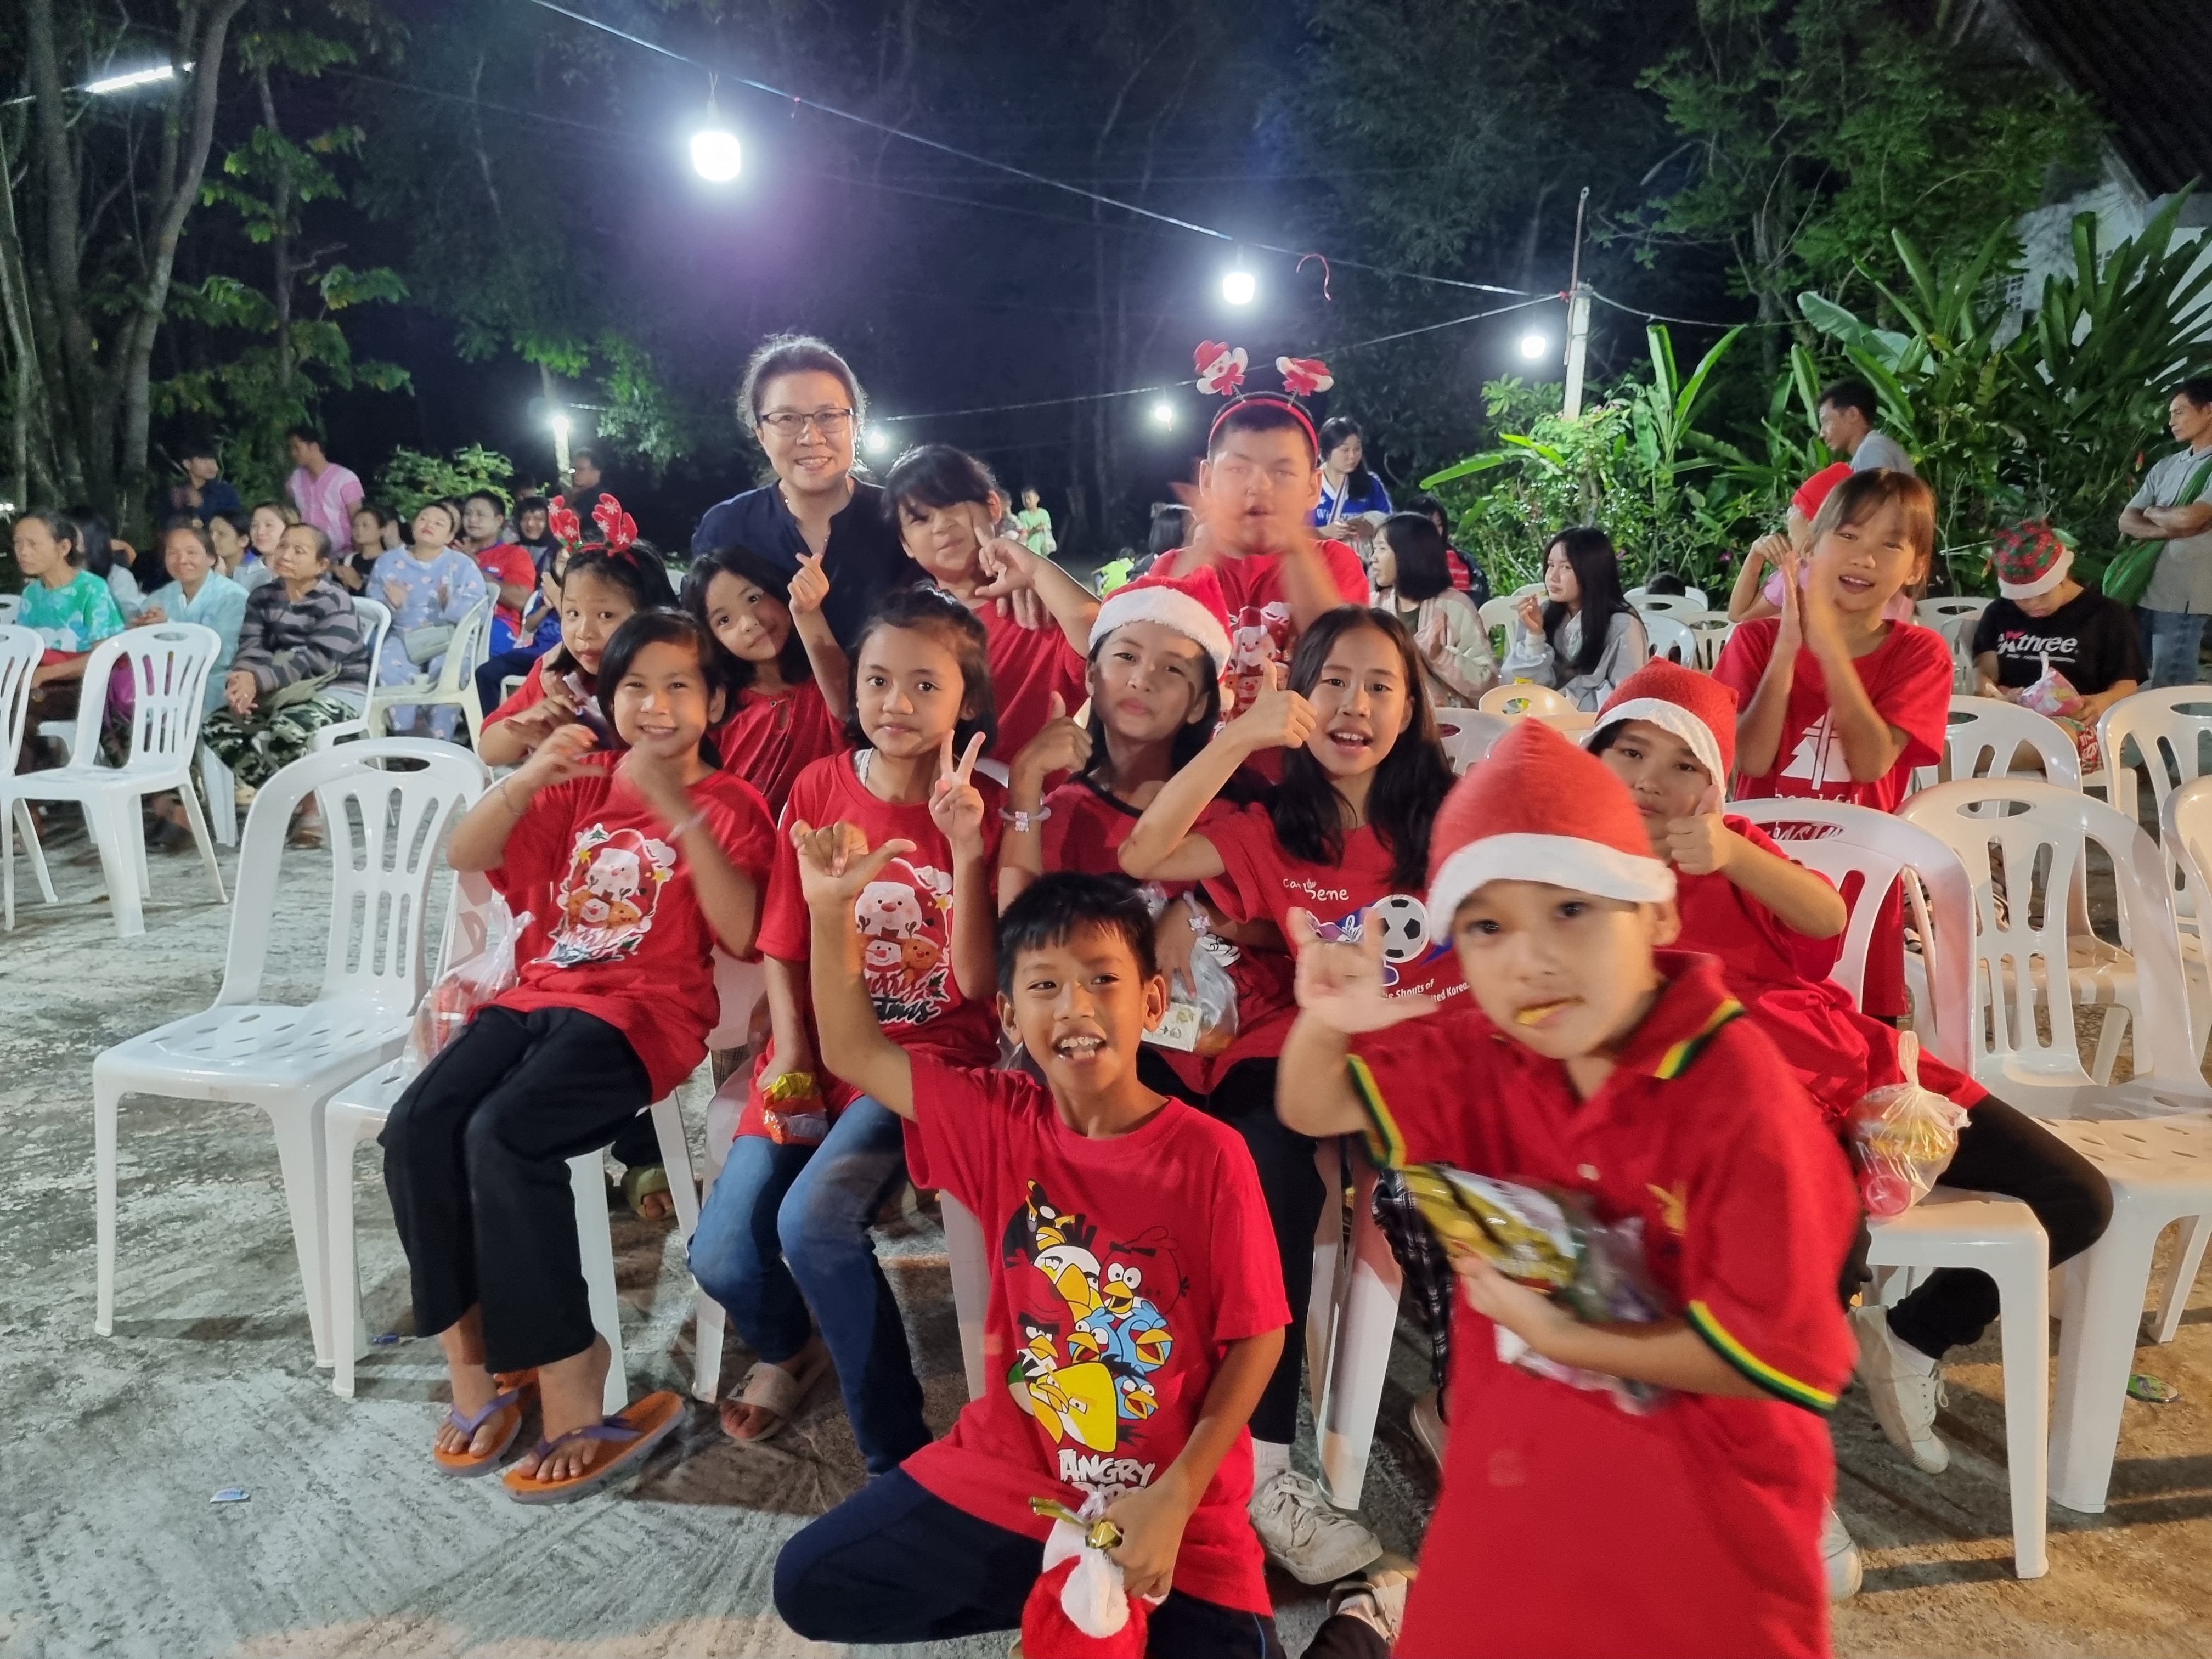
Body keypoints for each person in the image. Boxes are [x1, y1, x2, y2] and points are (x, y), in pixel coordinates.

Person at [1276, 717, 1860, 1658]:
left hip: (1699, 1539)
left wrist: (1557, 1335)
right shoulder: (1488, 1055)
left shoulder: (1737, 1093)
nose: (1529, 957)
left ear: (1658, 913)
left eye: (1573, 908)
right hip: (1511, 1511)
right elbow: (1313, 1104)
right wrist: (1328, 1018)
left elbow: (1774, 1356)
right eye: (1487, 926)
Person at [1586, 660, 2112, 1589]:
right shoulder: (1562, 857)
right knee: (1819, 1242)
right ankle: (1782, 1465)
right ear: (1592, 753)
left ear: (1714, 781)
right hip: (1722, 1095)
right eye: (1630, 751)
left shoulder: (1732, 840)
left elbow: (1827, 916)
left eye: (1682, 764)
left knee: (2077, 1196)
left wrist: (1732, 853)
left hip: (1851, 1066)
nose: (1649, 781)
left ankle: (1910, 1335)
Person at [770, 871, 1288, 1657]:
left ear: (1151, 1002)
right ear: (1011, 1015)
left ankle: (1359, 1620)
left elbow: (1259, 1337)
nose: (1076, 1007)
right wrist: (832, 907)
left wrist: (1178, 1496)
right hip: (1022, 1477)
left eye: (1103, 980)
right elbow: (853, 1051)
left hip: (1173, 1499)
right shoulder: (998, 1120)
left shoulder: (1212, 1155)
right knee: (811, 1584)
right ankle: (1064, 1581)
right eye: (1046, 986)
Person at [380, 609, 776, 1501]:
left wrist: (681, 813)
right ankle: (475, 1364)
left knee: (504, 1136)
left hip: (641, 1018)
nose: (655, 704)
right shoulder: (586, 781)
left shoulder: (732, 803)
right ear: (610, 697)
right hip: (537, 997)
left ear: (715, 703)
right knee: (417, 1126)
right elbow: (467, 852)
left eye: (679, 686)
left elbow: (745, 932)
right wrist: (527, 775)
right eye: (635, 686)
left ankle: (571, 1370)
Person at [1119, 606, 1456, 1585]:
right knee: (1265, 1168)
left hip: (1427, 1057)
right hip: (1299, 1054)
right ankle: (1265, 1470)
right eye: (1332, 682)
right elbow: (1144, 855)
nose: (1354, 705)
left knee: (1457, 1179)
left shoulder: (1449, 816)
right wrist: (1239, 738)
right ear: (1298, 699)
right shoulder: (1270, 826)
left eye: (1379, 685)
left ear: (1409, 707)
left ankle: (1472, 1407)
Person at [688, 587, 1002, 1460]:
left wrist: (968, 848)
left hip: (922, 1055)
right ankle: (800, 1344)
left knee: (812, 1222)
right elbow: (784, 940)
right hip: (819, 1049)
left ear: (965, 701)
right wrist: (791, 1056)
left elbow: (975, 983)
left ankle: (895, 1453)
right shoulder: (820, 786)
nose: (896, 703)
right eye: (877, 681)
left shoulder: (981, 807)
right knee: (720, 1256)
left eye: (924, 685)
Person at [996, 567, 1290, 1108]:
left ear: (1201, 703)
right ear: (1091, 675)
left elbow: (1296, 925)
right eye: (1126, 656)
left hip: (1250, 1051)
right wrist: (1026, 781)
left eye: (1172, 669)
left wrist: (1200, 914)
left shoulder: (1239, 803)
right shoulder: (1063, 813)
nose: (1142, 679)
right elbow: (1019, 942)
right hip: (1123, 1057)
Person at [1716, 470, 1954, 1022]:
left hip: (1860, 893)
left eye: (1890, 544)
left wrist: (1829, 652)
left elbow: (1870, 763)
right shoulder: (1754, 640)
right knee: (1755, 1038)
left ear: (1916, 568)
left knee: (1856, 1042)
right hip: (1760, 883)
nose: (1864, 558)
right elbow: (1751, 759)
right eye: (1848, 535)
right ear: (1811, 548)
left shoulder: (1920, 653)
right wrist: (1788, 649)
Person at [691, 335, 926, 651]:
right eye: (787, 419)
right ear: (761, 434)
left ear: (856, 426)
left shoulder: (902, 518)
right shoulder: (726, 529)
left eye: (828, 416)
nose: (811, 437)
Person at [1145, 397, 1370, 725]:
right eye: (1238, 469)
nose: (1260, 486)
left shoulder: (1334, 562)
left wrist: (1293, 544)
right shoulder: (1171, 569)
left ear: (1313, 487)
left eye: (1282, 472)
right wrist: (1204, 549)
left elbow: (1343, 659)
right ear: (1207, 480)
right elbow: (1153, 664)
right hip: (1202, 758)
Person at [883, 444, 1099, 760]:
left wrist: (1036, 573)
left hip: (1031, 789)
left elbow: (1108, 642)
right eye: (921, 519)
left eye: (952, 505)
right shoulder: (899, 629)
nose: (942, 525)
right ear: (906, 544)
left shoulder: (1038, 613)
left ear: (993, 507)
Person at [201, 523, 373, 806]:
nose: (286, 555)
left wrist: (258, 681)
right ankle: (286, 798)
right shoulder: (262, 597)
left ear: (321, 565)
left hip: (336, 689)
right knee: (217, 727)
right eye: (283, 545)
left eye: (299, 551)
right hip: (279, 689)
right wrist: (243, 680)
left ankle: (310, 806)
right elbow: (251, 645)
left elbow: (317, 660)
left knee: (286, 729)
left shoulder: (335, 601)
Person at [477, 536, 676, 770]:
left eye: (606, 615)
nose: (584, 633)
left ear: (651, 616)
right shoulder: (557, 674)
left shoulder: (672, 685)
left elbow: (664, 777)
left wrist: (585, 752)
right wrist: (531, 719)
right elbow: (488, 752)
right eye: (573, 613)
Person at [684, 543, 850, 819]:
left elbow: (846, 706)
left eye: (753, 598)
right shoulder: (718, 708)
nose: (748, 623)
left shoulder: (826, 682)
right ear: (714, 641)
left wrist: (807, 613)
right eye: (724, 620)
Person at [1972, 522, 2144, 765]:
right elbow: (1985, 669)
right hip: (2011, 718)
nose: (2033, 605)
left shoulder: (2107, 616)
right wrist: (1993, 692)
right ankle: (1962, 763)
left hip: (2081, 727)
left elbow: (2127, 683)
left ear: (2063, 576)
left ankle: (1965, 760)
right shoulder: (2000, 613)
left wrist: (2100, 702)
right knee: (1949, 730)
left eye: (2043, 594)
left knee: (2056, 738)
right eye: (2021, 599)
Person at [12, 510, 126, 771]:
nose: (23, 552)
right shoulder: (31, 594)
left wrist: (45, 674)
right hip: (42, 684)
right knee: (17, 710)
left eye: (33, 544)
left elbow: (106, 655)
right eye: (18, 543)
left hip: (86, 686)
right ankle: (33, 785)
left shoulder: (92, 589)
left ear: (63, 547)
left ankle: (26, 789)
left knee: (16, 709)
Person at [370, 500, 489, 742]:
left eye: (439, 523)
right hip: (402, 633)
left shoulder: (462, 565)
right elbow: (373, 608)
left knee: (451, 669)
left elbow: (479, 609)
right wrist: (393, 605)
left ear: (450, 536)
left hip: (449, 636)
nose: (429, 525)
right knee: (388, 664)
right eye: (423, 519)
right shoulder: (388, 561)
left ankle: (438, 737)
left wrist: (450, 604)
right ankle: (407, 732)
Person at [2119, 377, 2212, 688]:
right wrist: (2169, 528)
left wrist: (2152, 512)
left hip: (2185, 595)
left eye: (2179, 412)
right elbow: (2126, 521)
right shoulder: (2166, 466)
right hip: (2144, 585)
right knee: (2129, 679)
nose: (2171, 422)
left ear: (2208, 410)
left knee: (2170, 688)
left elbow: (2190, 517)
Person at [1499, 526, 1648, 709]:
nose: (1553, 576)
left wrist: (1564, 702)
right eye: (1551, 565)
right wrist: (1535, 636)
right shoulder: (1542, 613)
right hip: (1542, 717)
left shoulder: (1622, 625)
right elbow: (1520, 689)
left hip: (1589, 723)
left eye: (1566, 567)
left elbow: (1627, 698)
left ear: (1593, 572)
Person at [1369, 512, 1494, 706]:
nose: (1373, 558)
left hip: (1448, 720)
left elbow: (1486, 684)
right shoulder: (1374, 606)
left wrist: (1441, 656)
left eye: (1382, 549)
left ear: (1408, 555)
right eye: (1374, 549)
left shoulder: (1455, 606)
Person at [134, 521, 247, 716]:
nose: (182, 560)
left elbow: (223, 655)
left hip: (214, 685)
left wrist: (168, 628)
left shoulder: (234, 597)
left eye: (191, 553)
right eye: (172, 553)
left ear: (211, 558)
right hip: (164, 682)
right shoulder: (158, 598)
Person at [460, 490, 540, 651]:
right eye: (468, 514)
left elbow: (521, 600)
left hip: (497, 625)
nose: (472, 520)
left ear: (498, 520)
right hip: (453, 619)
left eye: (480, 515)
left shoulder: (515, 555)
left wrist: (474, 569)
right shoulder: (452, 550)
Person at [284, 424, 365, 555]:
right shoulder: (294, 481)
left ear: (314, 447)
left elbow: (357, 520)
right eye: (291, 449)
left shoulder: (345, 479)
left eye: (297, 448)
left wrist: (359, 556)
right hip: (307, 554)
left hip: (343, 554)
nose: (293, 454)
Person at [1314, 416, 1391, 552]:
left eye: (1357, 449)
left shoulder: (1371, 484)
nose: (1352, 456)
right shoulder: (1307, 485)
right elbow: (1287, 532)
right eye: (1345, 450)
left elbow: (1391, 524)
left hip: (1362, 562)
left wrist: (1370, 527)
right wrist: (1323, 532)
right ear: (1326, 452)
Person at [1401, 491, 1488, 606]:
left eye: (1439, 525)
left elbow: (1458, 601)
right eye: (1430, 526)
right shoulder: (1404, 559)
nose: (1437, 531)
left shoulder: (1450, 558)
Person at [1819, 380, 1915, 478]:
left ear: (1852, 414)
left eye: (1826, 422)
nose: (1822, 434)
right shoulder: (1871, 448)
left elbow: (1877, 488)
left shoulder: (1871, 450)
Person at [168, 440, 242, 524]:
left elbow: (235, 523)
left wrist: (200, 507)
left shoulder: (225, 492)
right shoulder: (178, 493)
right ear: (187, 464)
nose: (210, 465)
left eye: (211, 459)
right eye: (202, 460)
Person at [234, 501, 296, 592]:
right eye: (254, 525)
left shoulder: (305, 571)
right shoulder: (241, 573)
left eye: (269, 525)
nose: (260, 532)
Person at [338, 503, 401, 592]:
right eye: (355, 525)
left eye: (365, 525)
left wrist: (359, 584)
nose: (359, 530)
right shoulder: (348, 560)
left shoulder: (392, 562)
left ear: (382, 530)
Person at [565, 448, 609, 526]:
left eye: (581, 469)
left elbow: (566, 519)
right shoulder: (601, 493)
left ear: (596, 472)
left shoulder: (594, 495)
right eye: (575, 469)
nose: (575, 473)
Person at [514, 495, 557, 567]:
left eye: (538, 519)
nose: (530, 524)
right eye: (525, 518)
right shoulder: (510, 550)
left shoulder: (559, 552)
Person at [1014, 487, 1056, 557]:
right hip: (1028, 551)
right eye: (1024, 499)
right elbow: (1023, 534)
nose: (1027, 501)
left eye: (1029, 498)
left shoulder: (1044, 513)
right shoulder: (1022, 515)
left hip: (1043, 551)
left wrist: (1044, 528)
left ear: (1037, 498)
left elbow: (1049, 531)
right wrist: (1035, 530)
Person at [206, 510, 250, 578]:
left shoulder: (256, 571)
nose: (213, 539)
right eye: (210, 532)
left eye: (221, 534)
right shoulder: (206, 566)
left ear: (243, 541)